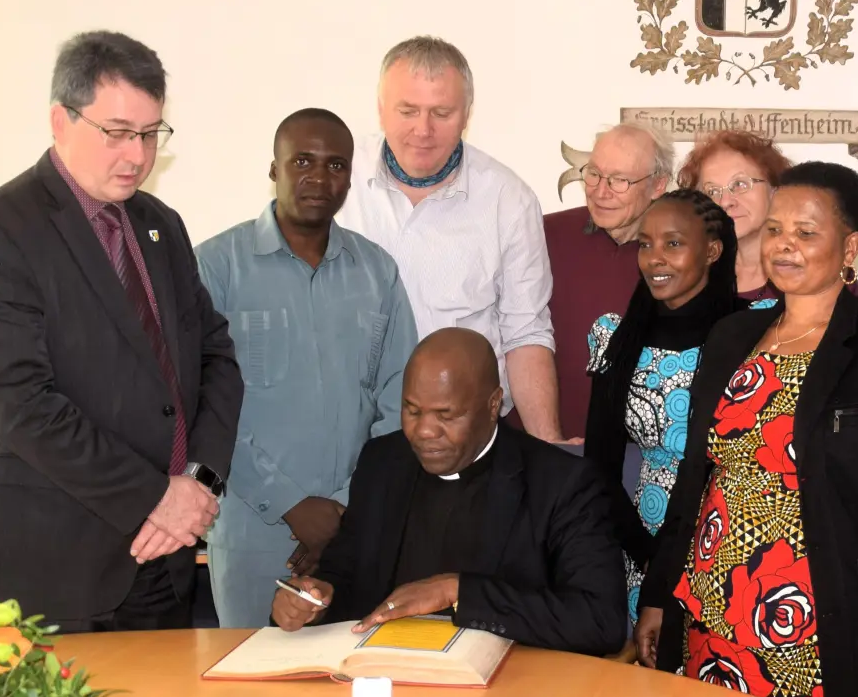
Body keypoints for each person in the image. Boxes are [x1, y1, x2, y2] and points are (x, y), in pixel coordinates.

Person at [0, 30, 240, 631]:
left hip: (163, 558)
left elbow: (215, 359)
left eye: (151, 134)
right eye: (118, 132)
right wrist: (158, 496)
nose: (137, 155)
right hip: (50, 572)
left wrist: (199, 484)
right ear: (61, 120)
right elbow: (22, 407)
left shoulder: (161, 226)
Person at [638, 162, 858, 697]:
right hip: (710, 606)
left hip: (820, 623)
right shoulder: (733, 334)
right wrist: (659, 595)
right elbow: (696, 474)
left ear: (851, 245)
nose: (784, 245)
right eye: (775, 229)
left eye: (806, 233)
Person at [195, 108, 419, 628]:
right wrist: (294, 506)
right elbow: (204, 403)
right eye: (302, 161)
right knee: (254, 691)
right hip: (252, 524)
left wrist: (344, 509)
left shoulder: (377, 271)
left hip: (357, 524)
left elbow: (399, 400)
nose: (320, 178)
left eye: (336, 165)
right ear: (274, 169)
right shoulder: (215, 266)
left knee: (352, 683)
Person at [271, 328, 625, 657]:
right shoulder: (383, 463)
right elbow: (344, 574)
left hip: (508, 688)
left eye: (446, 415)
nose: (424, 431)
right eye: (412, 410)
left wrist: (457, 591)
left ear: (492, 406)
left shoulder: (562, 483)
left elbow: (600, 620)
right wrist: (314, 601)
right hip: (385, 674)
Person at [335, 36, 563, 441]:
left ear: (466, 115)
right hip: (348, 429)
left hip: (465, 434)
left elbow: (525, 331)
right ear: (381, 109)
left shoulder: (508, 200)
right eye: (408, 111)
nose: (423, 130)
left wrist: (549, 450)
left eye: (441, 113)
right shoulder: (337, 181)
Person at [582, 189, 742, 627]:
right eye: (645, 244)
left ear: (711, 250)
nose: (654, 258)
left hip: (734, 539)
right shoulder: (618, 336)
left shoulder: (755, 331)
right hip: (642, 538)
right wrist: (650, 556)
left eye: (673, 243)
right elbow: (598, 468)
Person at [545, 123, 674, 439]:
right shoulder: (544, 235)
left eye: (619, 180)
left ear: (658, 185)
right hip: (544, 446)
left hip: (639, 460)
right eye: (594, 173)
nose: (601, 191)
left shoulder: (682, 254)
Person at [676, 130, 858, 303]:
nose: (725, 201)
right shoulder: (690, 279)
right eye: (712, 191)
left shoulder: (818, 271)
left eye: (740, 184)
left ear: (775, 191)